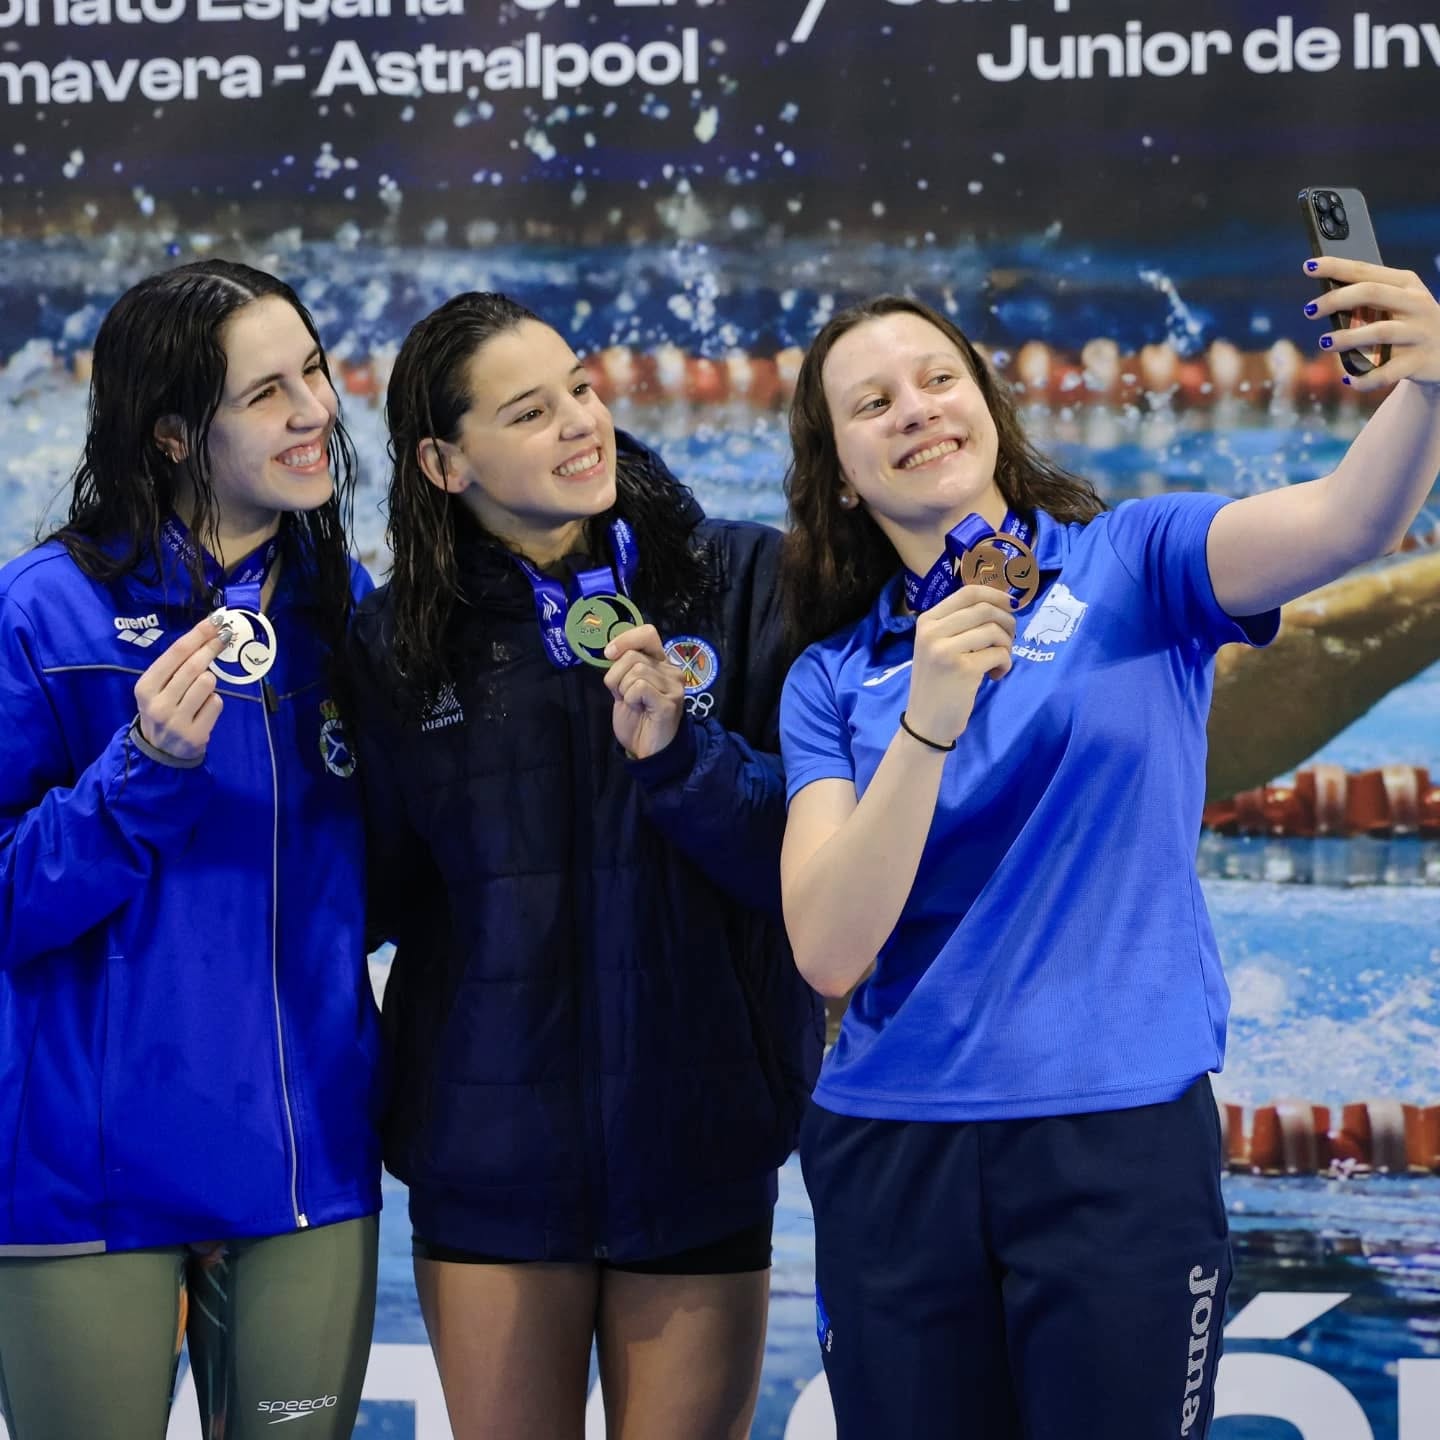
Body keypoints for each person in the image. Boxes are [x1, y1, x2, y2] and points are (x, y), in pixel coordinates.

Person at [776, 257, 1440, 1438]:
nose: (917, 407)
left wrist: (1431, 388)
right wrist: (928, 717)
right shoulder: (833, 679)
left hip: (1115, 1142)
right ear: (837, 474)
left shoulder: (1135, 564)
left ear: (990, 406)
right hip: (893, 1153)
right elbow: (829, 951)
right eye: (873, 404)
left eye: (940, 378)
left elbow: (1352, 521)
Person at [345, 291, 822, 1440]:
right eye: (529, 410)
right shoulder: (399, 644)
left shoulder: (744, 583)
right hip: (489, 1159)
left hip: (697, 1136)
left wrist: (682, 756)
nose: (579, 422)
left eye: (582, 387)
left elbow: (803, 867)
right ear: (443, 461)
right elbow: (376, 894)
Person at [0, 260, 383, 1440]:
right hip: (85, 1173)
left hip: (306, 1163)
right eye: (267, 393)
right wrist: (141, 774)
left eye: (313, 370)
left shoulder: (348, 612)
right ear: (172, 434)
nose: (317, 408)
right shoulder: (43, 615)